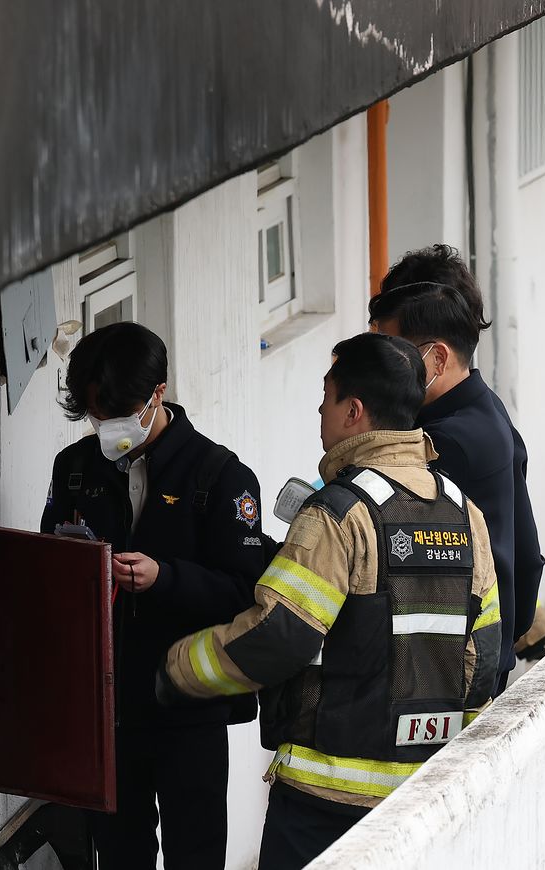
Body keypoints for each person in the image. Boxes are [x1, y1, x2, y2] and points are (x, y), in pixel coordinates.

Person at [157, 333, 501, 870]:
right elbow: (484, 651)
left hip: (324, 805)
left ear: (354, 411)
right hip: (425, 794)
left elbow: (276, 640)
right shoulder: (464, 513)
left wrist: (177, 669)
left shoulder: (337, 515)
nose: (320, 410)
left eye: (326, 397)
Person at [40, 321, 268, 870]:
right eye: (97, 415)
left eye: (117, 413)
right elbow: (49, 567)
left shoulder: (220, 477)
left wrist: (165, 577)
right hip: (110, 709)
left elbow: (245, 592)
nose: (107, 426)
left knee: (196, 854)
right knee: (119, 854)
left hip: (190, 703)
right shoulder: (74, 470)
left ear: (157, 396)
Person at [370, 245, 545, 684]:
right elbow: (526, 557)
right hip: (482, 656)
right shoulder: (485, 409)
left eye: (391, 349)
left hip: (447, 669)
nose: (380, 365)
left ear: (437, 355)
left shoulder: (440, 442)